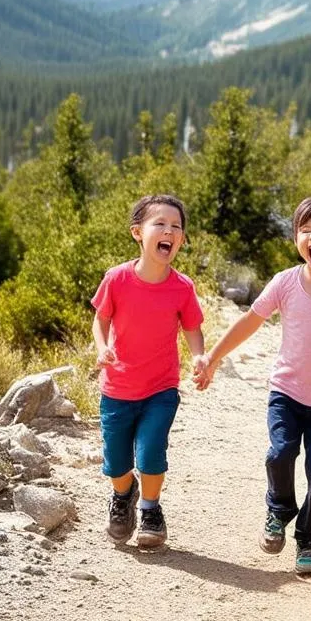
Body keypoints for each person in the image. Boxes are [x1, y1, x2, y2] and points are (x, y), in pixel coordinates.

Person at [193, 196, 311, 574]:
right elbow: (250, 320)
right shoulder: (284, 282)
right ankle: (278, 510)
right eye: (305, 230)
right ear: (295, 237)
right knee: (280, 454)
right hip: (287, 392)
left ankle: (308, 537)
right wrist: (212, 357)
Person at [92, 194, 205, 549]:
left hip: (161, 388)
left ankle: (151, 509)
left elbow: (191, 328)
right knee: (116, 463)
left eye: (176, 227)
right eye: (160, 224)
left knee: (152, 451)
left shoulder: (182, 287)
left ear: (181, 240)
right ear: (137, 233)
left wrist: (200, 356)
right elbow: (101, 317)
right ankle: (123, 496)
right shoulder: (117, 279)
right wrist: (102, 347)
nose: (169, 231)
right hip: (118, 388)